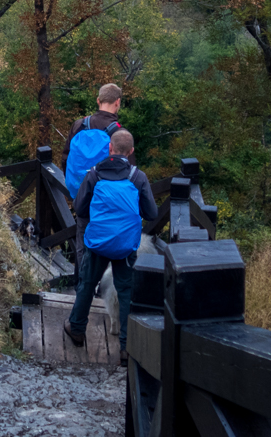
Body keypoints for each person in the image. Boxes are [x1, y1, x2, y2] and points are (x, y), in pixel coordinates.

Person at [63, 129, 157, 367]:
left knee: (87, 283)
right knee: (125, 291)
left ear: (110, 149)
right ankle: (126, 347)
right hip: (125, 245)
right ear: (131, 152)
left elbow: (80, 208)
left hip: (98, 242)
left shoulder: (94, 174)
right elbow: (152, 213)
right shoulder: (138, 177)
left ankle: (76, 330)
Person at [64, 83, 135, 282]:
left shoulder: (79, 125)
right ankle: (103, 287)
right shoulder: (119, 134)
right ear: (118, 103)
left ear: (98, 100)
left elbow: (65, 160)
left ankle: (83, 286)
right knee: (110, 242)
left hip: (83, 196)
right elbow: (129, 171)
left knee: (82, 241)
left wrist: (76, 191)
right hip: (110, 201)